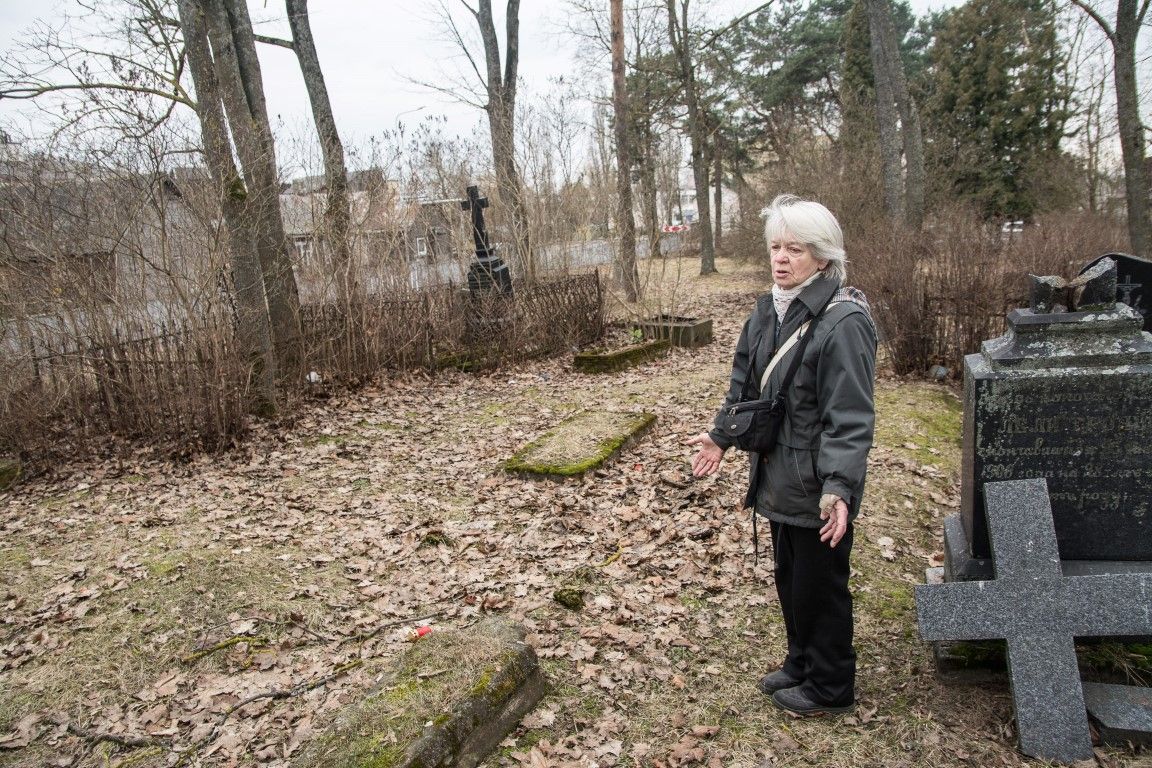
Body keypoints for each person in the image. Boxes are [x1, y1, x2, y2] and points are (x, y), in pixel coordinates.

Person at [687, 193, 877, 716]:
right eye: (776, 246)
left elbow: (851, 418)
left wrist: (839, 488)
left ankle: (831, 687)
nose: (781, 258)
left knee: (821, 586)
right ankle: (801, 663)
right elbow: (743, 386)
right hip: (775, 472)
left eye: (795, 248)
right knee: (791, 579)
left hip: (815, 483)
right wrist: (721, 437)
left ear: (823, 256)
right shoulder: (768, 310)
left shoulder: (844, 323)